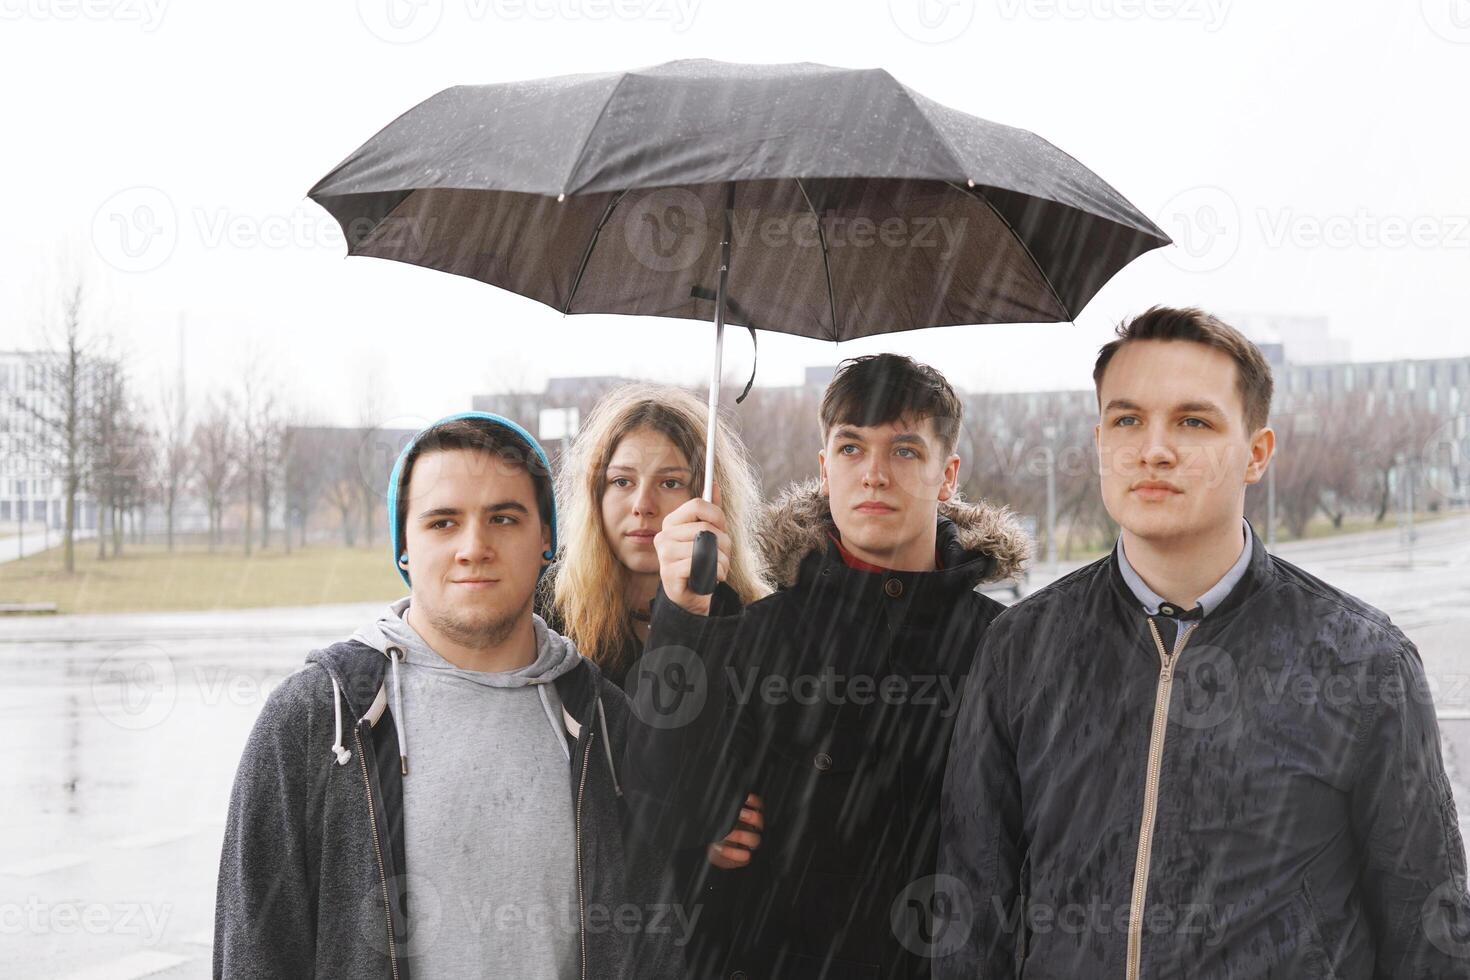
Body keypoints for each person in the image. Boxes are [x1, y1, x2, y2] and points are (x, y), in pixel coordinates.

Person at [937, 307, 1470, 979]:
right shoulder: (1021, 646)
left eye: (1194, 421)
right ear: (1101, 441)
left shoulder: (1362, 661)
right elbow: (972, 910)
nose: (1154, 449)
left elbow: (1430, 928)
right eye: (1128, 420)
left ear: (1256, 453)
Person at [214, 412, 681, 980]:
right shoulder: (318, 718)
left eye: (504, 519)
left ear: (545, 541)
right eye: (442, 523)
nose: (473, 547)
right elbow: (255, 954)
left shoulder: (604, 721)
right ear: (403, 546)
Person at [641, 354, 1031, 979]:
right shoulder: (758, 637)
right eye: (851, 449)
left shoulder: (1007, 644)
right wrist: (682, 614)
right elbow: (665, 800)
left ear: (948, 474)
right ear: (825, 469)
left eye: (904, 451)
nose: (873, 474)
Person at [538, 383, 773, 972]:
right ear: (594, 494)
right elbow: (644, 805)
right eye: (621, 481)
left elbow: (763, 781)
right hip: (590, 939)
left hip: (714, 942)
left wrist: (742, 820)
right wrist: (695, 822)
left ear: (710, 500)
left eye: (671, 482)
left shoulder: (758, 625)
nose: (642, 505)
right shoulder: (548, 623)